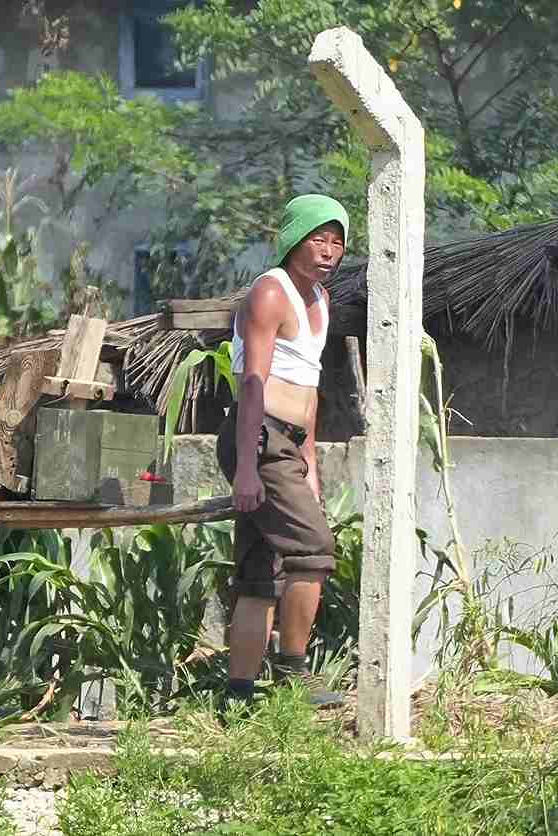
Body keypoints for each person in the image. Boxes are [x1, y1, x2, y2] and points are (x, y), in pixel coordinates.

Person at [215, 194, 349, 708]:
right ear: (294, 238)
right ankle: (294, 674)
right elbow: (253, 382)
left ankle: (238, 695)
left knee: (258, 574)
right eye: (319, 238)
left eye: (337, 243)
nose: (329, 251)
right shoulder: (271, 293)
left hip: (286, 445)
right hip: (259, 437)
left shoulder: (319, 301)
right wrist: (247, 466)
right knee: (313, 552)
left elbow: (309, 390)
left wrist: (310, 462)